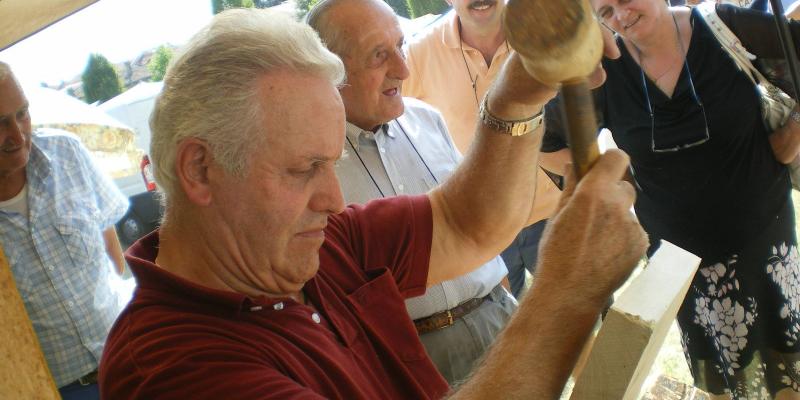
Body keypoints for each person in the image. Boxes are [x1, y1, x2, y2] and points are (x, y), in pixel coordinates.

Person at [98, 8, 647, 399]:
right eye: (304, 168)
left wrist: (518, 92)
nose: (334, 198)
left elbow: (465, 223)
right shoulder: (172, 368)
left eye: (332, 162)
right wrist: (567, 289)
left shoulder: (310, 249)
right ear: (200, 169)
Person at [540, 1, 800, 398]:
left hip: (766, 243)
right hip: (683, 267)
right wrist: (616, 176)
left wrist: (791, 136)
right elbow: (545, 143)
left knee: (790, 368)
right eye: (606, 11)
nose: (620, 15)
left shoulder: (722, 26)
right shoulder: (602, 72)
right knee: (728, 384)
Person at [306, 0, 517, 384]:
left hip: (499, 319)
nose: (403, 69)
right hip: (412, 360)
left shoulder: (426, 119)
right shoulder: (309, 167)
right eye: (378, 55)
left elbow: (474, 226)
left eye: (401, 46)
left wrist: (503, 297)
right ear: (329, 69)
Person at [403, 0, 560, 298]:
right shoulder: (418, 53)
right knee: (501, 333)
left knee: (579, 321)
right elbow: (386, 120)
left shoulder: (542, 34)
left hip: (551, 213)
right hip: (479, 230)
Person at [0, 62, 130, 400]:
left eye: (22, 113)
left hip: (129, 358)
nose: (17, 135)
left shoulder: (67, 152)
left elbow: (109, 238)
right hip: (53, 390)